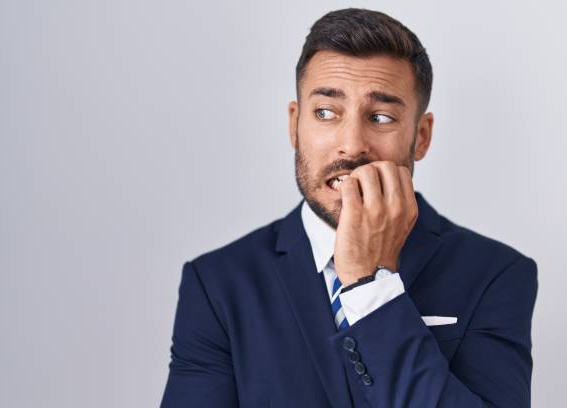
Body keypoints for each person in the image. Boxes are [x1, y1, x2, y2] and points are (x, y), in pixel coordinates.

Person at [160, 7, 538, 408]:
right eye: (325, 112)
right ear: (295, 124)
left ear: (421, 137)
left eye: (380, 116)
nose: (353, 144)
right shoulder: (218, 283)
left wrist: (368, 286)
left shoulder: (497, 274)